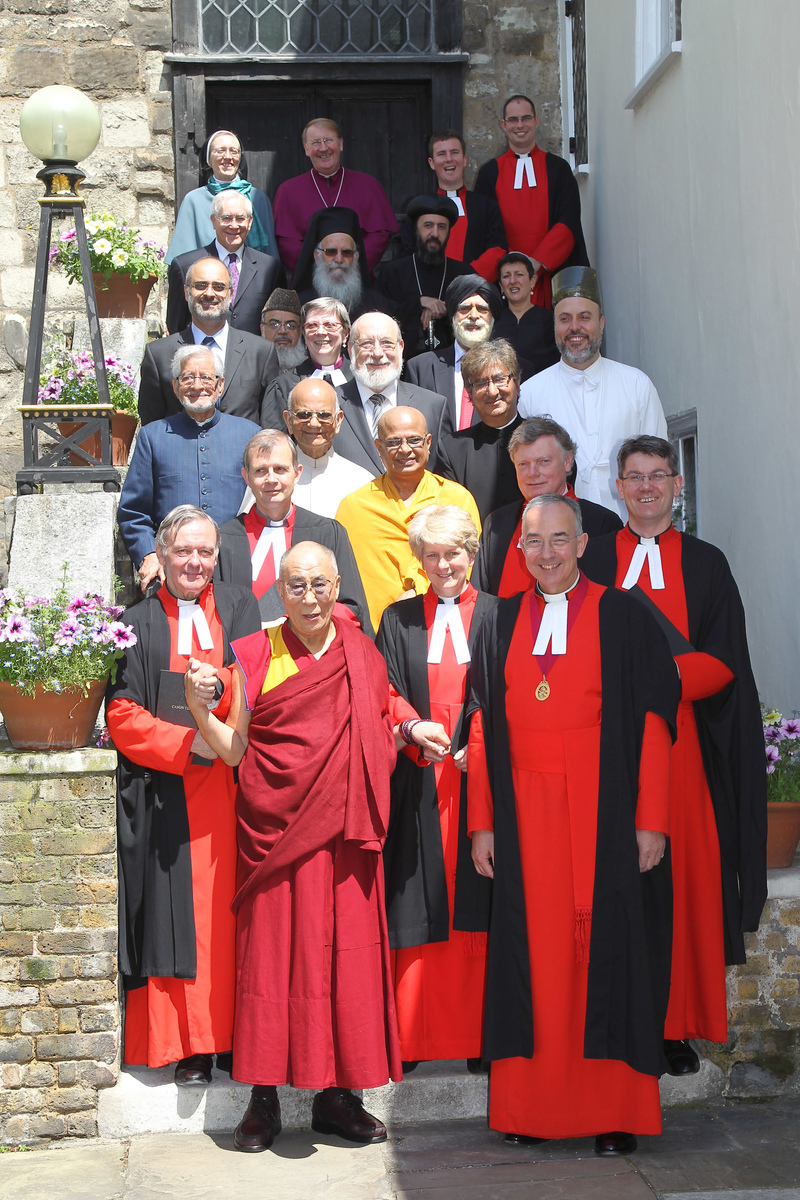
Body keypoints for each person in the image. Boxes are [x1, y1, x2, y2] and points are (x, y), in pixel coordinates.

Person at [183, 540, 446, 1151]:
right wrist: (201, 711)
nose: (308, 597)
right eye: (296, 585)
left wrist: (408, 728)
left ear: (337, 589)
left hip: (348, 831)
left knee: (345, 957)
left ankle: (338, 1096)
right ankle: (264, 1095)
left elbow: (378, 719)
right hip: (277, 834)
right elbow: (239, 752)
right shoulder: (255, 654)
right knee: (272, 961)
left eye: (319, 585)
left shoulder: (361, 650)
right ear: (280, 591)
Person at [465, 493, 679, 1152]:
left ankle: (614, 1113)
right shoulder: (497, 620)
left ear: (584, 543)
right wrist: (483, 822)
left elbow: (652, 721)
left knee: (603, 958)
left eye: (561, 539)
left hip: (604, 813)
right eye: (535, 542)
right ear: (519, 550)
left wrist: (651, 821)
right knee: (535, 962)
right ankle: (531, 1111)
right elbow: (480, 723)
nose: (548, 554)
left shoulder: (624, 615)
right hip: (524, 819)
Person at [581, 436, 767, 1075]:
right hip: (601, 749)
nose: (647, 488)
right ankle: (612, 1017)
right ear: (619, 487)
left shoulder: (707, 563)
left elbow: (722, 661)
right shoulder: (592, 556)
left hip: (683, 751)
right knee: (610, 887)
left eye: (658, 476)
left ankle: (674, 1025)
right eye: (634, 477)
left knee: (678, 888)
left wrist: (649, 686)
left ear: (677, 485)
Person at [107, 506, 261, 1087]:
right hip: (165, 793)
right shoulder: (138, 620)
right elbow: (121, 712)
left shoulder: (242, 608)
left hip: (231, 791)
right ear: (162, 556)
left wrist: (220, 728)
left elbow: (256, 681)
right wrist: (188, 744)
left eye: (204, 552)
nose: (194, 562)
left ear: (217, 557)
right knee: (175, 921)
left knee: (228, 920)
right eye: (182, 552)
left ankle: (234, 1038)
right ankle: (189, 1044)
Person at [376, 506, 497, 1071]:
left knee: (481, 901)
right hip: (419, 780)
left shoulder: (501, 615)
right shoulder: (398, 620)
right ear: (418, 560)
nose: (443, 564)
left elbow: (504, 692)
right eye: (432, 554)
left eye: (454, 552)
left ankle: (481, 1035)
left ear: (472, 553)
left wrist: (479, 739)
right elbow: (387, 691)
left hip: (479, 783)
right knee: (417, 899)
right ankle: (416, 1036)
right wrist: (411, 729)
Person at [519, 266, 667, 518]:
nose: (574, 328)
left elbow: (660, 467)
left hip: (628, 529)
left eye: (585, 317)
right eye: (565, 319)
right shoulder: (531, 393)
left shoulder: (636, 385)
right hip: (559, 536)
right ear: (554, 325)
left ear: (601, 323)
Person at [119, 345, 261, 593]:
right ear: (175, 386)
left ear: (220, 385)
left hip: (239, 571)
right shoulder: (152, 437)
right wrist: (149, 554)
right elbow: (134, 511)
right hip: (173, 572)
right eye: (187, 378)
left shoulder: (250, 435)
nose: (197, 386)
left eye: (207, 377)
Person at [336, 406, 480, 631]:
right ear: (379, 448)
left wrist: (418, 591)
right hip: (374, 636)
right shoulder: (354, 508)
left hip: (445, 626)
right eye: (393, 442)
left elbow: (468, 568)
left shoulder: (456, 498)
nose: (405, 450)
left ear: (428, 443)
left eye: (414, 440)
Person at [215, 429, 372, 633]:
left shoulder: (327, 532)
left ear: (297, 473)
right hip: (246, 655)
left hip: (313, 653)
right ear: (246, 476)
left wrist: (298, 624)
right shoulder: (224, 540)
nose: (271, 479)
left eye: (280, 469)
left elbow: (351, 608)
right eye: (261, 470)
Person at [474, 416, 622, 597]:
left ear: (568, 461)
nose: (532, 473)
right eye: (523, 464)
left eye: (543, 461)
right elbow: (481, 597)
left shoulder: (603, 524)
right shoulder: (496, 524)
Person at [474, 96, 589, 307]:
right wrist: (512, 271)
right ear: (503, 125)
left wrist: (534, 264)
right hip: (507, 281)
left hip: (551, 275)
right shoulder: (489, 174)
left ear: (536, 121)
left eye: (526, 118)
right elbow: (486, 229)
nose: (520, 125)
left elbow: (568, 222)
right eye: (513, 119)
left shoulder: (559, 169)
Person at [139, 257, 278, 426]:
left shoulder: (261, 352)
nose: (210, 293)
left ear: (230, 293)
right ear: (186, 292)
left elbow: (271, 425)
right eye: (200, 285)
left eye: (219, 287)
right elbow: (152, 424)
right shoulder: (158, 354)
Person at [273, 118, 398, 277]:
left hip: (357, 280)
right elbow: (286, 244)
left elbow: (379, 237)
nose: (323, 148)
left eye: (329, 140)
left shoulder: (368, 185)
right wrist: (322, 270)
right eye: (316, 142)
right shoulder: (288, 190)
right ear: (306, 148)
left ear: (341, 144)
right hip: (309, 283)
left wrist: (349, 265)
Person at [332, 312, 447, 477]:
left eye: (386, 343)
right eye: (366, 343)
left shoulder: (433, 406)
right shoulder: (329, 406)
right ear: (351, 350)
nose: (377, 353)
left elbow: (441, 475)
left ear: (400, 348)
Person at [405, 274, 517, 438]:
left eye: (482, 309)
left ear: (493, 317)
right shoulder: (420, 368)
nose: (473, 315)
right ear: (452, 317)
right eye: (464, 308)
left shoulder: (514, 369)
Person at [166, 190, 285, 336]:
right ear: (213, 221)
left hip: (251, 356)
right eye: (226, 218)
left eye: (240, 218)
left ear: (250, 222)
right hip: (202, 354)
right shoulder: (185, 265)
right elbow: (176, 325)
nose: (234, 226)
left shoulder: (270, 268)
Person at [399, 130, 507, 281]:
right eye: (442, 154)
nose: (449, 159)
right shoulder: (418, 209)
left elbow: (497, 249)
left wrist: (467, 279)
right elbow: (408, 254)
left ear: (464, 160)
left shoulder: (487, 206)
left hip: (475, 289)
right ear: (431, 163)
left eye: (454, 152)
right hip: (430, 290)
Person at [435, 340, 524, 521]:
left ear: (517, 383)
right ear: (469, 393)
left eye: (500, 379)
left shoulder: (545, 442)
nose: (492, 391)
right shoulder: (451, 450)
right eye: (481, 383)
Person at [375, 195, 472, 357]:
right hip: (402, 364)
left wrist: (444, 309)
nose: (435, 233)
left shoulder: (464, 274)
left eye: (442, 227)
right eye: (428, 225)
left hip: (452, 364)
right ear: (417, 229)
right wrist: (419, 303)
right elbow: (378, 314)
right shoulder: (393, 272)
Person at [166, 130, 277, 264]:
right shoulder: (193, 201)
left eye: (234, 151)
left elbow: (270, 259)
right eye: (220, 151)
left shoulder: (258, 198)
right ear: (208, 159)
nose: (228, 157)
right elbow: (182, 262)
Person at [282, 377, 373, 518]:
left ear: (338, 420)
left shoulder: (361, 482)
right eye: (304, 415)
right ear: (289, 421)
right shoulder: (272, 480)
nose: (313, 423)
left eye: (323, 415)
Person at [260, 298, 353, 430]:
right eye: (312, 326)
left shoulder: (359, 380)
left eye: (329, 325)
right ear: (303, 333)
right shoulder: (283, 386)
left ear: (345, 333)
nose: (320, 332)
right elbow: (276, 441)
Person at [290, 206, 394, 320]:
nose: (339, 259)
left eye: (347, 252)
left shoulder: (377, 305)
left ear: (356, 257)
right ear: (317, 256)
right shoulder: (300, 305)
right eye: (331, 251)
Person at [493, 252, 560, 373]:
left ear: (532, 281)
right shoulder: (492, 322)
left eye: (519, 275)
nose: (513, 281)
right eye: (506, 276)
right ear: (501, 286)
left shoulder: (551, 321)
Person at [260, 289, 306, 373]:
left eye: (291, 326)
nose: (282, 331)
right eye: (274, 324)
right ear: (262, 329)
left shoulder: (308, 373)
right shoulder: (250, 368)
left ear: (300, 331)